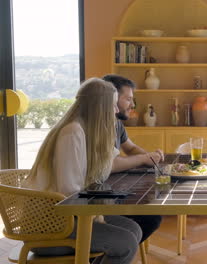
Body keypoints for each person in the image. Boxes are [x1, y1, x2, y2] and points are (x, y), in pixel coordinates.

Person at [24, 78, 141, 264]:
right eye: (112, 105)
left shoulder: (90, 131)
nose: (117, 110)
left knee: (134, 230)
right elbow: (70, 193)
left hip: (67, 218)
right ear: (99, 108)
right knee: (125, 242)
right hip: (48, 226)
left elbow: (105, 168)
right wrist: (98, 217)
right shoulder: (72, 133)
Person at [102, 74, 163, 244]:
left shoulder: (116, 123)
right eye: (128, 99)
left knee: (150, 215)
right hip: (93, 198)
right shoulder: (98, 125)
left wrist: (150, 157)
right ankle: (113, 250)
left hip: (107, 189)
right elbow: (110, 164)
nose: (133, 105)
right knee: (150, 218)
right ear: (111, 98)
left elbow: (130, 148)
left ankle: (116, 250)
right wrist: (143, 159)